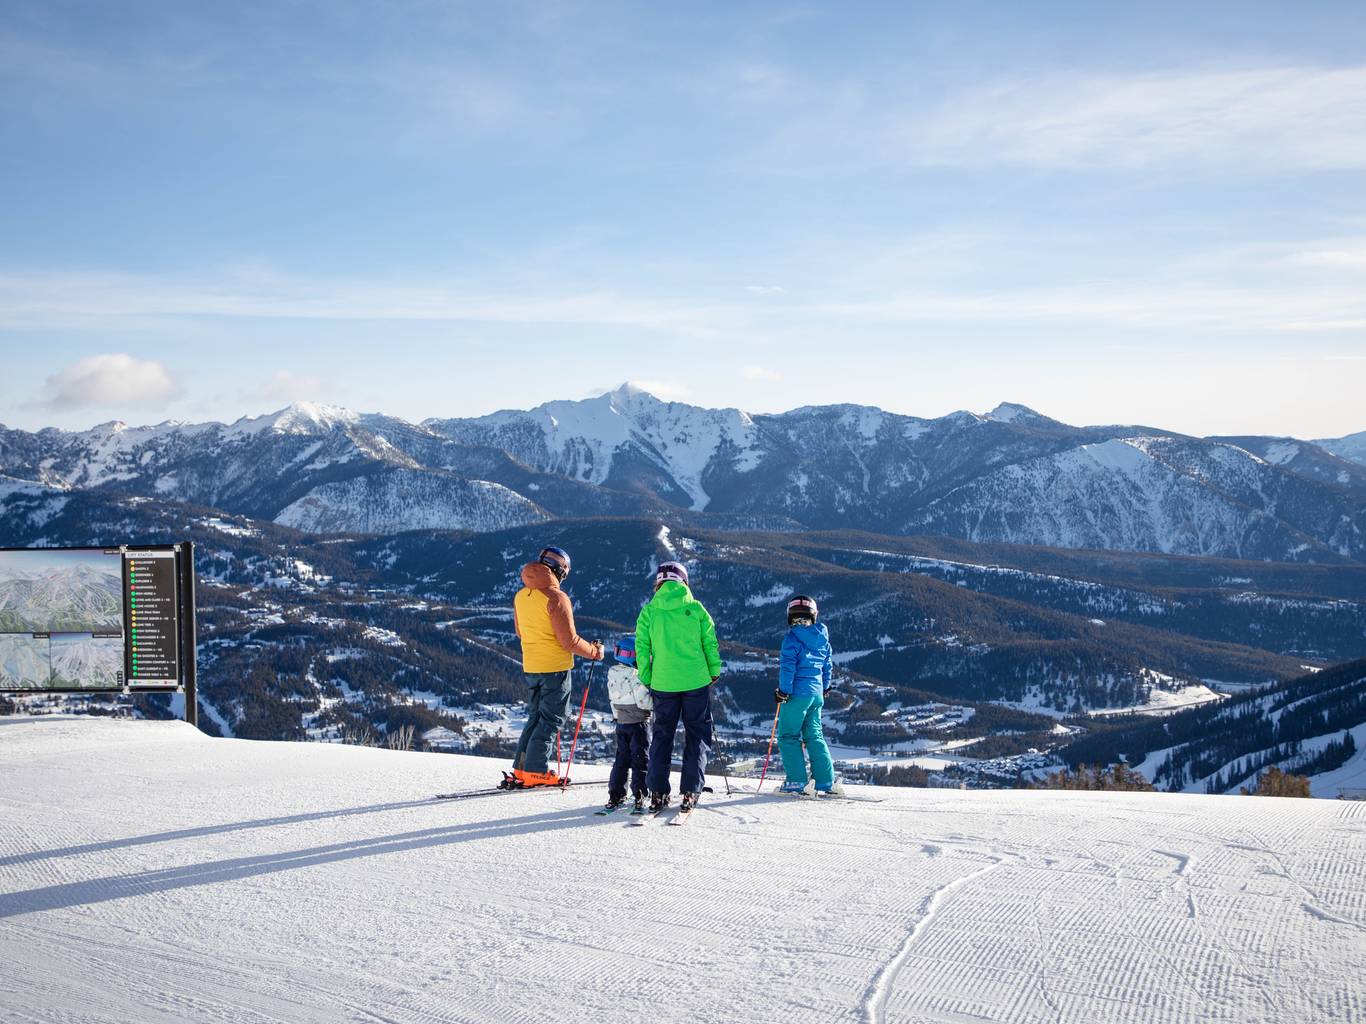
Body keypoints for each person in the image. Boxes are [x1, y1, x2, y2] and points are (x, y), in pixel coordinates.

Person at [507, 546, 604, 788]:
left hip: (531, 665)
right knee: (550, 720)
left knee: (536, 716)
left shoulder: (521, 596)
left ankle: (521, 767)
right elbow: (569, 641)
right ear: (560, 570)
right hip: (555, 669)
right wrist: (594, 652)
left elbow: (520, 632)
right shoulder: (556, 598)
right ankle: (536, 771)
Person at [635, 561, 722, 815]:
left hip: (663, 683)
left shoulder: (649, 612)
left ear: (659, 583)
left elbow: (642, 648)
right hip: (696, 681)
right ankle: (691, 790)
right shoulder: (696, 608)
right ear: (684, 581)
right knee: (697, 733)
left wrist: (648, 676)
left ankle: (658, 792)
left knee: (662, 735)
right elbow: (710, 642)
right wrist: (713, 671)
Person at [775, 595, 843, 796]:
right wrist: (825, 686)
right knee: (814, 736)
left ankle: (796, 782)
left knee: (788, 736)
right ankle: (825, 782)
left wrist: (783, 692)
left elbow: (788, 668)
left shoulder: (791, 639)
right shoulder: (823, 639)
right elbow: (827, 666)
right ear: (813, 617)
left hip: (796, 694)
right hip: (816, 694)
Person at [602, 633, 652, 814]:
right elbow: (644, 702)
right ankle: (639, 794)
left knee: (622, 759)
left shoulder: (612, 674)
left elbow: (612, 699)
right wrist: (656, 704)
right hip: (638, 723)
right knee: (640, 759)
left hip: (621, 723)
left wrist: (617, 717)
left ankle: (616, 793)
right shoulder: (635, 675)